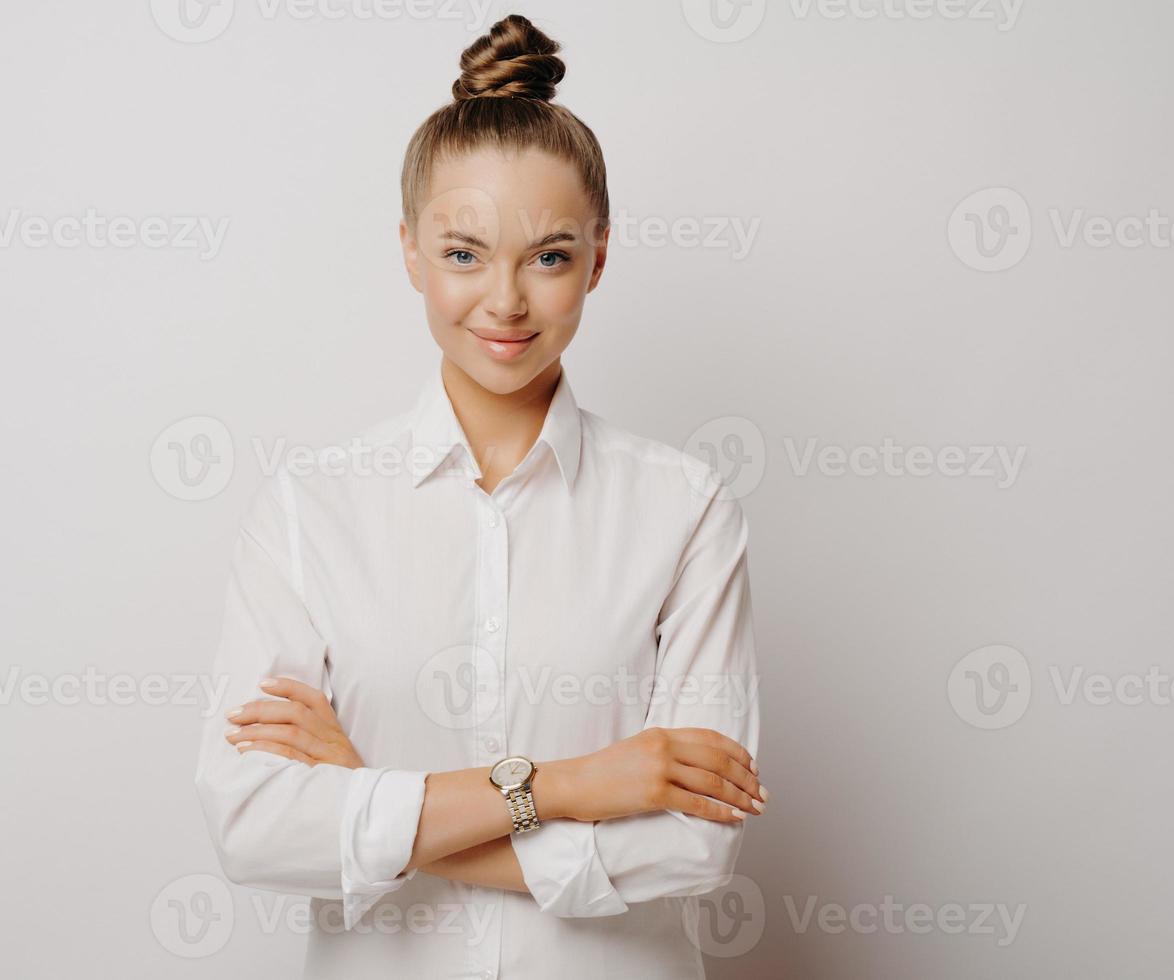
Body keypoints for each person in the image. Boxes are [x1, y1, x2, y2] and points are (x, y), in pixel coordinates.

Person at [194, 14, 765, 979]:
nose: (505, 301)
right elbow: (252, 827)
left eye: (547, 255)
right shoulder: (308, 510)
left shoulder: (687, 511)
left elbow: (694, 845)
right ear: (411, 252)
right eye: (464, 254)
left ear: (599, 256)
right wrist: (576, 784)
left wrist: (369, 801)